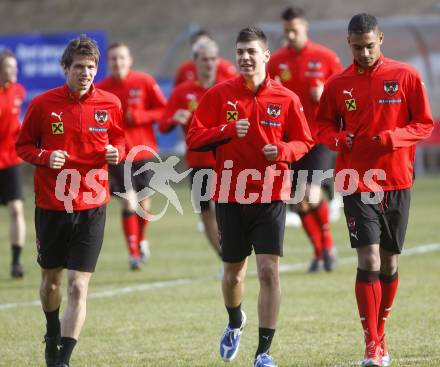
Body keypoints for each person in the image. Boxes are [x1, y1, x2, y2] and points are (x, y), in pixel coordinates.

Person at [187, 26, 314, 367]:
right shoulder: (218, 95)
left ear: (266, 57)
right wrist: (227, 130)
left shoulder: (286, 98)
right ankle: (234, 321)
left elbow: (305, 141)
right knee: (233, 274)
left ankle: (263, 352)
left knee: (269, 271)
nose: (244, 57)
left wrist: (283, 150)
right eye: (240, 51)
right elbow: (194, 137)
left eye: (251, 52)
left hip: (272, 194)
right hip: (230, 193)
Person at [316, 14, 434, 367]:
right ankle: (371, 344)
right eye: (357, 47)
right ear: (348, 44)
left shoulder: (406, 76)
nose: (364, 52)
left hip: (397, 180)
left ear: (380, 38)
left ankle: (381, 333)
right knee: (367, 259)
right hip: (355, 180)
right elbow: (321, 125)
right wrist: (338, 139)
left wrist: (394, 138)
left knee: (389, 261)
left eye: (369, 45)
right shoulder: (338, 84)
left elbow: (424, 124)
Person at [16, 35, 125, 367]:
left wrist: (116, 152)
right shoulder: (43, 105)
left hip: (92, 205)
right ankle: (52, 331)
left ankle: (62, 359)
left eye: (91, 67)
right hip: (52, 205)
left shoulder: (110, 104)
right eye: (79, 67)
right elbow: (23, 147)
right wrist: (45, 157)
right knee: (52, 282)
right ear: (65, 68)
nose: (86, 73)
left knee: (78, 287)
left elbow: (119, 139)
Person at [267, 6, 343, 272]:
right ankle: (321, 251)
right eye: (286, 30)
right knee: (299, 201)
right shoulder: (276, 61)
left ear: (305, 28)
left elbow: (346, 95)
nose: (289, 35)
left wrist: (325, 95)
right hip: (290, 140)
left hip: (319, 137)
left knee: (310, 193)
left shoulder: (325, 57)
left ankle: (326, 247)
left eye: (294, 30)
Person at [98, 42, 166, 270]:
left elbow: (162, 111)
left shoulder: (144, 81)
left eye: (121, 58)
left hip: (144, 151)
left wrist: (140, 116)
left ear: (130, 59)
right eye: (113, 59)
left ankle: (142, 239)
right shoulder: (101, 90)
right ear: (107, 63)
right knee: (129, 201)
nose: (118, 63)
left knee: (144, 205)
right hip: (118, 154)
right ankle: (134, 253)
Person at [160, 39, 222, 265]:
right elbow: (163, 123)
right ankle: (225, 258)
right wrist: (175, 117)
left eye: (213, 59)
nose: (210, 64)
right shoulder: (183, 92)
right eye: (204, 59)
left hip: (226, 161)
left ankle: (233, 255)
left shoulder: (227, 87)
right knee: (206, 213)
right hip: (198, 162)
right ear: (194, 62)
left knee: (226, 210)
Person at [0, 50, 26, 278]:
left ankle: (16, 263)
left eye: (15, 67)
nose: (13, 71)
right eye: (9, 67)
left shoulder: (19, 91)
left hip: (10, 161)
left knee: (17, 210)